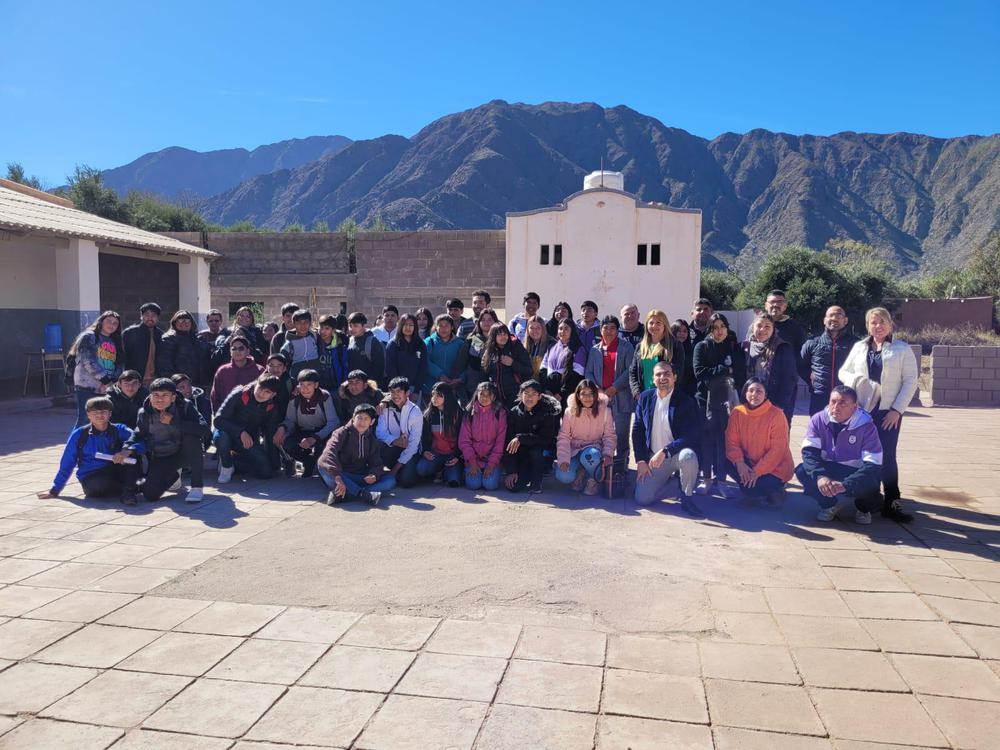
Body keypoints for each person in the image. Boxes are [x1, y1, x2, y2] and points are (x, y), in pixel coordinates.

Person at [838, 307, 919, 522]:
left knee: (887, 456)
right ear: (867, 326)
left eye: (882, 322)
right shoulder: (859, 347)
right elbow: (843, 371)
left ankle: (892, 501)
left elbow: (911, 380)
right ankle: (870, 499)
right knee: (864, 455)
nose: (878, 326)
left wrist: (897, 410)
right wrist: (856, 381)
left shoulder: (901, 350)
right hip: (863, 411)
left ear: (890, 324)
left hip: (887, 413)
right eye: (873, 322)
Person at [795, 385, 883, 525]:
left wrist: (846, 484)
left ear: (854, 407)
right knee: (802, 470)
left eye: (842, 403)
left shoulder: (867, 426)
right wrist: (820, 476)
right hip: (829, 467)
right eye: (833, 402)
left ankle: (862, 509)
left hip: (855, 470)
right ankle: (829, 504)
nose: (836, 407)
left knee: (871, 485)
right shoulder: (818, 420)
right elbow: (809, 452)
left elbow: (873, 464)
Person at [632, 362, 703, 516]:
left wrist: (666, 451)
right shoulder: (645, 398)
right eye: (658, 374)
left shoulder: (686, 401)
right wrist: (641, 461)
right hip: (653, 458)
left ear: (674, 377)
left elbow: (690, 436)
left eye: (667, 374)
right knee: (642, 498)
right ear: (653, 378)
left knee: (688, 456)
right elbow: (637, 430)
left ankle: (687, 497)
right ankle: (677, 485)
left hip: (676, 455)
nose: (662, 377)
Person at [123, 378, 206, 505]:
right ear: (150, 396)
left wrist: (174, 422)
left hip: (185, 452)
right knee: (150, 494)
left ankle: (196, 487)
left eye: (165, 395)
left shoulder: (185, 406)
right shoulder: (144, 412)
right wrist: (127, 448)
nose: (160, 399)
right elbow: (138, 433)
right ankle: (173, 476)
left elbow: (204, 430)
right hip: (162, 456)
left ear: (173, 397)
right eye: (156, 395)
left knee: (192, 438)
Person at [39, 396, 137, 503]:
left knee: (134, 458)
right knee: (102, 484)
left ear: (110, 413)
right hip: (92, 477)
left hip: (114, 468)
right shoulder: (79, 435)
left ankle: (129, 493)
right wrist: (55, 490)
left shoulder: (119, 429)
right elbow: (67, 462)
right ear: (88, 415)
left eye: (104, 411)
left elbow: (138, 439)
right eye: (95, 412)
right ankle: (130, 487)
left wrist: (126, 451)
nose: (100, 415)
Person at [693, 313, 746, 496]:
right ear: (709, 329)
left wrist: (717, 373)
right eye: (715, 327)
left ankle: (722, 481)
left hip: (726, 402)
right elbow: (699, 373)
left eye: (722, 326)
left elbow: (739, 372)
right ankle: (706, 479)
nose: (719, 330)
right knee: (707, 441)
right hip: (704, 401)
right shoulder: (702, 346)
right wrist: (724, 370)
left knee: (723, 443)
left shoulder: (732, 346)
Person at [725, 378, 794, 507]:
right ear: (745, 393)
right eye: (751, 390)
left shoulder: (776, 414)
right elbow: (731, 442)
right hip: (748, 463)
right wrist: (740, 463)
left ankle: (776, 490)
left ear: (765, 394)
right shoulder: (737, 412)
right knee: (724, 460)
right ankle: (754, 490)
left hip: (774, 468)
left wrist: (757, 472)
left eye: (759, 391)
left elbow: (778, 450)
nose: (754, 395)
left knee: (753, 489)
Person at [318, 403, 396, 506]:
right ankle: (363, 494)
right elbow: (328, 453)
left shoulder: (372, 440)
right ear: (353, 418)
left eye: (366, 419)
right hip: (342, 475)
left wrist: (374, 475)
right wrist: (337, 476)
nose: (362, 422)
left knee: (390, 481)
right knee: (322, 465)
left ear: (372, 422)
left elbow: (377, 463)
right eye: (359, 418)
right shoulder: (341, 433)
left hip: (360, 477)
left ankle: (346, 494)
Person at [585, 315, 636, 467]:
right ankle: (601, 466)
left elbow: (630, 370)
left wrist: (615, 387)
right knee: (601, 433)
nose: (609, 331)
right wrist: (598, 389)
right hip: (600, 397)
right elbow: (588, 372)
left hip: (621, 396)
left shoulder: (626, 347)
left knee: (621, 433)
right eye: (605, 328)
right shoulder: (595, 350)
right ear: (600, 330)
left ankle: (621, 465)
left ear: (617, 330)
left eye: (613, 328)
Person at [213, 373, 283, 482]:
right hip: (227, 432)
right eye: (260, 388)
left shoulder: (272, 407)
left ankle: (233, 461)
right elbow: (218, 420)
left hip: (248, 440)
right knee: (223, 437)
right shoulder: (239, 393)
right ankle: (226, 466)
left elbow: (270, 435)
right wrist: (241, 432)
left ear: (273, 395)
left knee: (266, 472)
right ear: (256, 384)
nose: (261, 393)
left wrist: (275, 464)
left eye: (267, 392)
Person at [554, 379, 616, 495]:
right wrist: (563, 459)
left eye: (591, 394)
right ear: (578, 395)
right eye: (583, 394)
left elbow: (609, 436)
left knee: (590, 455)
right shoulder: (569, 412)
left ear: (596, 395)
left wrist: (608, 453)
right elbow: (564, 437)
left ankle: (592, 479)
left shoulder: (605, 411)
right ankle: (580, 473)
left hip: (594, 450)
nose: (587, 398)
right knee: (563, 476)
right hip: (575, 451)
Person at [273, 369, 339, 478]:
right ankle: (307, 461)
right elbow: (290, 420)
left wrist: (315, 437)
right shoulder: (294, 397)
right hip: (302, 431)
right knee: (286, 442)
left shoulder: (324, 396)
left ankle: (317, 465)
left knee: (323, 449)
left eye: (309, 384)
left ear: (316, 385)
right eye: (302, 385)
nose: (305, 389)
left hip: (321, 431)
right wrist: (282, 428)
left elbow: (333, 422)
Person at [503, 380, 561, 494]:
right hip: (522, 454)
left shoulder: (547, 411)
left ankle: (537, 481)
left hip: (541, 451)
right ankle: (524, 474)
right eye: (526, 393)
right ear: (520, 395)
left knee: (536, 451)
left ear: (539, 396)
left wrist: (521, 438)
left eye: (534, 394)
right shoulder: (514, 413)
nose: (530, 397)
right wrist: (511, 471)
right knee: (514, 487)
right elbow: (508, 443)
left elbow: (546, 439)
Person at [800, 306, 860, 416]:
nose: (834, 318)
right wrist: (812, 380)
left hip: (845, 397)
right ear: (824, 320)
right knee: (819, 429)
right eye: (830, 315)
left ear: (845, 320)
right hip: (819, 395)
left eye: (838, 315)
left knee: (843, 430)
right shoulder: (812, 342)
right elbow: (801, 365)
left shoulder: (856, 344)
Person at [69, 311, 124, 427]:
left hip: (107, 387)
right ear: (100, 321)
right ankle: (74, 445)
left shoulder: (115, 341)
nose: (112, 325)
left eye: (115, 323)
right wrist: (105, 380)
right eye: (109, 321)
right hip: (87, 386)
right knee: (85, 420)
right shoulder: (89, 336)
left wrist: (112, 381)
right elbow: (87, 360)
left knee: (102, 421)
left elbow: (119, 364)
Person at [743, 313, 798, 424]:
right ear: (753, 328)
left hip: (774, 403)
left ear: (773, 329)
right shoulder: (744, 347)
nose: (762, 329)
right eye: (759, 325)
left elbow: (789, 379)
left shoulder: (782, 348)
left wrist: (780, 405)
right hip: (749, 402)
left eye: (767, 326)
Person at [375, 376, 423, 488]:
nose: (395, 395)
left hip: (410, 451)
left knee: (406, 482)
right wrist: (395, 441)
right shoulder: (385, 408)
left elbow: (413, 445)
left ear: (407, 393)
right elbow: (379, 433)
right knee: (378, 444)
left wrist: (395, 470)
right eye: (392, 392)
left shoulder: (415, 412)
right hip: (393, 447)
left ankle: (401, 470)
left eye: (399, 391)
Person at [459, 381, 507, 491]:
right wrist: (472, 462)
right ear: (477, 394)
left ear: (493, 397)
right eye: (481, 394)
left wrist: (491, 464)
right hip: (473, 458)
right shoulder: (469, 412)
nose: (484, 398)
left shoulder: (500, 413)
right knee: (473, 485)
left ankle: (495, 471)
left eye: (488, 395)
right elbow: (464, 441)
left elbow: (500, 442)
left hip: (492, 459)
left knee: (490, 485)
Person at [746, 290, 807, 375]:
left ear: (785, 306)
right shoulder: (754, 327)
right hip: (756, 377)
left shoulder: (795, 327)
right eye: (772, 302)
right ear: (766, 305)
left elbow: (801, 355)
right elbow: (747, 351)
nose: (775, 305)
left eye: (779, 302)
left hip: (784, 378)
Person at [629, 310, 685, 399]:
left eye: (658, 323)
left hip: (666, 397)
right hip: (644, 397)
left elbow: (678, 372)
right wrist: (637, 393)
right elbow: (633, 372)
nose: (654, 326)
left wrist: (666, 394)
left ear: (664, 325)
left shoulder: (675, 346)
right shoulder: (640, 347)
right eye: (651, 323)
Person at [416, 382, 464, 487]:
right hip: (436, 453)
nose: (434, 398)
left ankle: (448, 471)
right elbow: (424, 437)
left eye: (438, 395)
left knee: (454, 481)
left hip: (452, 455)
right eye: (433, 394)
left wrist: (457, 456)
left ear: (447, 396)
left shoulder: (457, 413)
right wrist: (425, 451)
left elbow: (463, 437)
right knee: (421, 469)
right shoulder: (428, 414)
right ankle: (438, 470)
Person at [481, 322, 532, 409]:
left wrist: (512, 363)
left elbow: (529, 371)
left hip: (516, 395)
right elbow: (485, 372)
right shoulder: (489, 351)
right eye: (499, 334)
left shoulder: (516, 347)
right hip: (496, 396)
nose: (503, 337)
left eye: (505, 334)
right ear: (493, 337)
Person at [210, 336, 264, 412]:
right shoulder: (222, 371)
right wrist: (219, 415)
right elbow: (215, 396)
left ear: (248, 351)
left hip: (251, 416)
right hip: (226, 416)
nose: (237, 351)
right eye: (234, 349)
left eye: (241, 348)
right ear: (230, 352)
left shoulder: (259, 370)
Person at [157, 310, 209, 387]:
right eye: (180, 320)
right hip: (179, 384)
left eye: (187, 320)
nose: (184, 323)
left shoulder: (199, 339)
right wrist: (173, 382)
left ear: (192, 323)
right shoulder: (168, 339)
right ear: (174, 323)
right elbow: (165, 365)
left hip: (199, 383)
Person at [539, 319, 586, 404]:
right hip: (549, 393)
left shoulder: (578, 349)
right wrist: (546, 390)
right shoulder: (551, 347)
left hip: (566, 394)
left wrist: (561, 394)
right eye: (560, 328)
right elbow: (543, 369)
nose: (562, 331)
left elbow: (577, 374)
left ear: (572, 330)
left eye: (566, 329)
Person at [384, 313, 429, 401]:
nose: (408, 328)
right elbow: (390, 369)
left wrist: (416, 390)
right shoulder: (393, 344)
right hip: (397, 389)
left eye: (411, 325)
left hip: (414, 389)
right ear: (400, 326)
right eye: (405, 325)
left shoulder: (420, 344)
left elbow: (423, 368)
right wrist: (399, 389)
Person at [424, 314, 467, 397]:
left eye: (446, 325)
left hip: (453, 389)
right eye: (440, 325)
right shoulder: (429, 342)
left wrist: (460, 379)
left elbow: (466, 364)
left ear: (452, 327)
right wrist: (440, 375)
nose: (443, 329)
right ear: (436, 327)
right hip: (431, 389)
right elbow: (425, 361)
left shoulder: (460, 344)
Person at [122, 302, 163, 385]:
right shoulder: (130, 333)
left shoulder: (161, 335)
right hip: (133, 381)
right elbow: (121, 357)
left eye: (153, 315)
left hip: (155, 382)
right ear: (141, 316)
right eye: (147, 315)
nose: (150, 318)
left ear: (158, 318)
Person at [463, 308, 499, 397]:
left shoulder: (501, 339)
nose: (486, 322)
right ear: (479, 322)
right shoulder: (471, 339)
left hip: (496, 386)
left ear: (495, 321)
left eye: (490, 320)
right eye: (483, 320)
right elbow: (461, 362)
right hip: (473, 387)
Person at [171, 373, 213, 448]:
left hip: (197, 440)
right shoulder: (169, 404)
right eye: (182, 387)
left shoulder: (203, 402)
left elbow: (205, 429)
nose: (187, 389)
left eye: (189, 385)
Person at [279, 309, 323, 379]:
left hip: (315, 372)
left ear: (310, 323)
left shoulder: (313, 335)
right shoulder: (290, 343)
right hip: (298, 374)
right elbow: (281, 359)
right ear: (294, 323)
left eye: (306, 322)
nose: (303, 326)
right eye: (299, 323)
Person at [346, 312, 385, 386]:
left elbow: (379, 369)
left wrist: (371, 387)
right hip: (353, 387)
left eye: (355, 326)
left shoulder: (373, 342)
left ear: (364, 326)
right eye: (350, 326)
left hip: (368, 388)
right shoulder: (350, 340)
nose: (352, 329)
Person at [316, 314, 349, 392]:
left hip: (336, 387)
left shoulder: (340, 346)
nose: (323, 331)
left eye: (327, 328)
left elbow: (345, 367)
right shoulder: (315, 343)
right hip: (318, 387)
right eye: (321, 328)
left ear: (333, 330)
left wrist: (344, 385)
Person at [672, 319, 697, 397]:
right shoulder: (667, 349)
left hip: (687, 392)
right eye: (679, 331)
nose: (682, 334)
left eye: (685, 331)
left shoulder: (692, 350)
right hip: (670, 390)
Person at [524, 315, 550, 380]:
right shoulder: (526, 345)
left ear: (543, 329)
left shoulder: (551, 345)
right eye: (531, 328)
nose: (534, 331)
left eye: (538, 328)